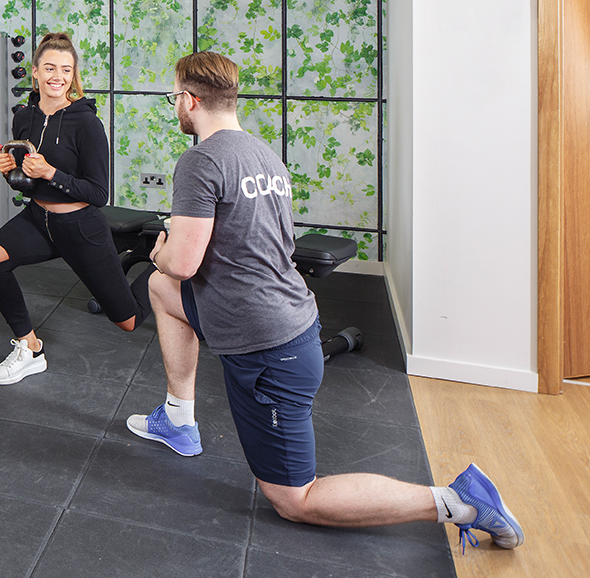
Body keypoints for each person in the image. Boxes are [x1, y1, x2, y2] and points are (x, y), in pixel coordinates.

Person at [125, 51, 522, 552]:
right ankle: (178, 418)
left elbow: (181, 264)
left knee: (295, 500)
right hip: (284, 313)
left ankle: (456, 501)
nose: (175, 108)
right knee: (163, 294)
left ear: (189, 98)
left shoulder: (200, 160)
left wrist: (161, 253)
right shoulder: (263, 155)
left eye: (173, 99)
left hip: (268, 348)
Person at [0, 32, 150, 385]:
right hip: (38, 220)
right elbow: (26, 184)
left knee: (127, 321)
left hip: (81, 226)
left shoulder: (87, 123)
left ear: (74, 76)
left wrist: (51, 172)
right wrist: (11, 171)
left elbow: (99, 192)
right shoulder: (23, 118)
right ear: (35, 72)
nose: (58, 76)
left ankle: (167, 271)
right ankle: (30, 349)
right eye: (51, 68)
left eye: (66, 70)